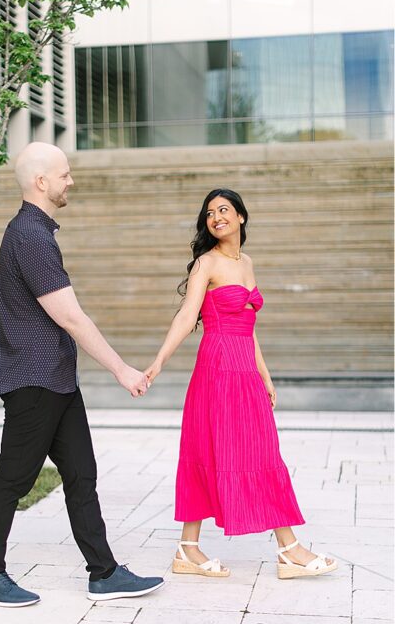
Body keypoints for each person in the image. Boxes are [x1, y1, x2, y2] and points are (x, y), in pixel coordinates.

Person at [0, 141, 165, 607]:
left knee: (81, 474)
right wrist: (121, 369)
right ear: (41, 181)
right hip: (33, 379)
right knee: (14, 480)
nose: (70, 181)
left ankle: (104, 572)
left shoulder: (35, 233)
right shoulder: (30, 237)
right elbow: (71, 317)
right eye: (64, 174)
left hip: (55, 378)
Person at [143, 188, 336, 580]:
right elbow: (185, 318)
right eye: (210, 212)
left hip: (245, 369)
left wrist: (264, 375)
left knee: (261, 453)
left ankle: (210, 548)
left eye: (224, 210)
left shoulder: (247, 262)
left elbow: (249, 329)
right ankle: (274, 548)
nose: (216, 217)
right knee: (211, 450)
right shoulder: (206, 264)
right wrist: (158, 362)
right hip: (217, 368)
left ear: (241, 217)